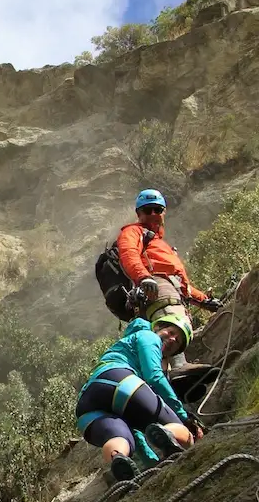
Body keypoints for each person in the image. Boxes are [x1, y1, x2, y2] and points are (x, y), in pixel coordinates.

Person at [76, 316, 204, 481]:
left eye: (177, 341)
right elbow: (154, 376)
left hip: (88, 406)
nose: (172, 339)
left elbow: (136, 430)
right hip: (121, 381)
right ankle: (170, 432)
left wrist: (153, 464)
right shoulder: (148, 336)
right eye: (171, 332)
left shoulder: (127, 344)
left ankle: (118, 458)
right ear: (158, 328)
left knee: (121, 438)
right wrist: (184, 417)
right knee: (184, 433)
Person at [116, 189, 223, 371]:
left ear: (164, 212)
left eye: (157, 210)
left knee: (168, 325)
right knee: (171, 322)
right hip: (155, 286)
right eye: (147, 210)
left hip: (168, 287)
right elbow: (128, 254)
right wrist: (143, 277)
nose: (153, 214)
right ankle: (180, 366)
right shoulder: (134, 232)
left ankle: (167, 378)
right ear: (138, 213)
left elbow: (182, 286)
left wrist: (205, 301)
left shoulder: (159, 243)